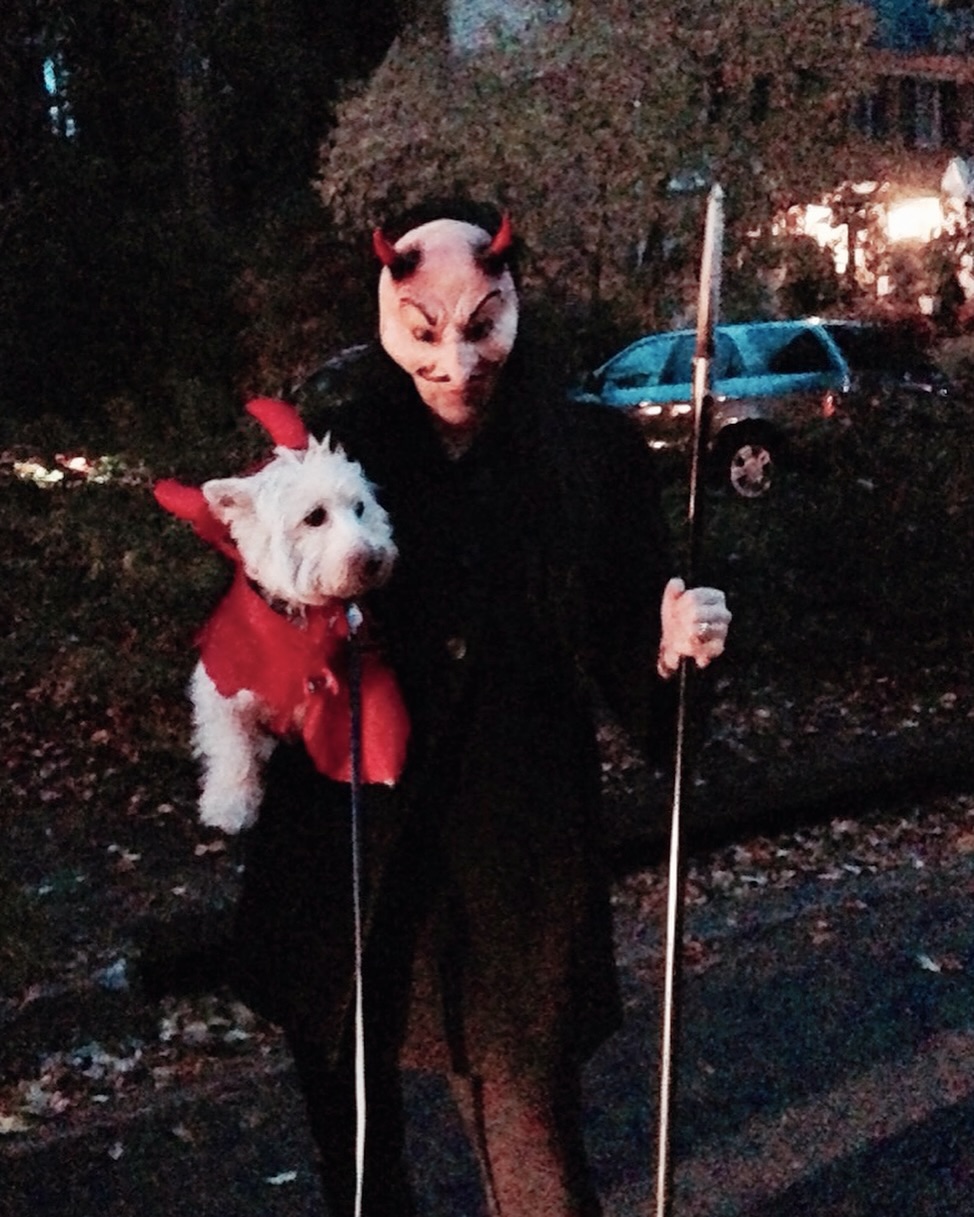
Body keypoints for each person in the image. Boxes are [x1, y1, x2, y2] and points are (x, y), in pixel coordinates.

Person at [228, 200, 731, 1217]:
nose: (456, 360)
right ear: (386, 314)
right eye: (425, 331)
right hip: (352, 842)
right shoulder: (341, 452)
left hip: (515, 853)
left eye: (482, 323)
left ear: (515, 305)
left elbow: (639, 651)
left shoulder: (585, 455)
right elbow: (261, 622)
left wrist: (676, 648)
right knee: (360, 1153)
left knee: (533, 1150)